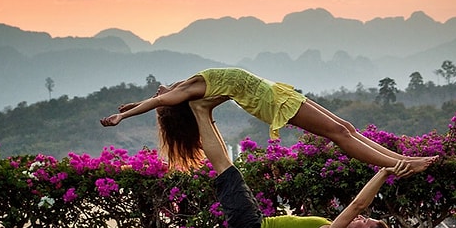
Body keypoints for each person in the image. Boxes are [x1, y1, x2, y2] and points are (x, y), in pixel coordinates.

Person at [187, 96, 433, 228]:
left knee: (225, 170)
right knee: (230, 171)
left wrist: (384, 171)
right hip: (255, 225)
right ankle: (204, 114)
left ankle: (199, 111)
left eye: (364, 222)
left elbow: (358, 204)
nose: (360, 218)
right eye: (363, 218)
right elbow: (358, 208)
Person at [101, 67, 437, 171]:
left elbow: (155, 97)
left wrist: (132, 104)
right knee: (338, 133)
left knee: (345, 128)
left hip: (280, 93)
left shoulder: (183, 88)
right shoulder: (186, 90)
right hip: (272, 104)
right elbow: (158, 99)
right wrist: (123, 116)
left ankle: (403, 159)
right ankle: (400, 166)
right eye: (163, 96)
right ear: (172, 102)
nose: (161, 88)